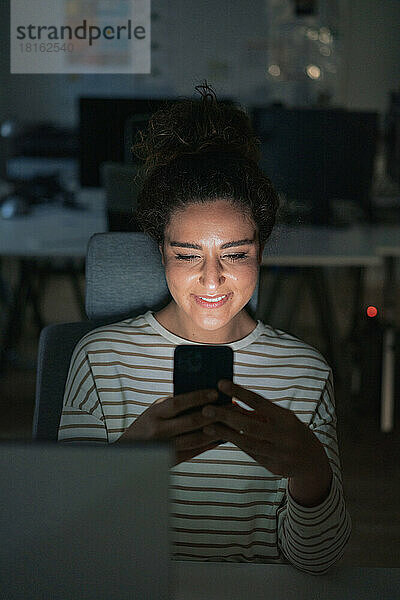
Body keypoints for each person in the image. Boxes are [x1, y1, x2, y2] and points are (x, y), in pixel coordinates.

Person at [58, 82, 351, 574]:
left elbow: (317, 561)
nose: (212, 280)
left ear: (261, 250)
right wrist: (130, 462)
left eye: (235, 254)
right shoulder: (101, 359)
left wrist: (310, 471)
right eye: (187, 255)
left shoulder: (304, 371)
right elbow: (69, 540)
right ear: (161, 252)